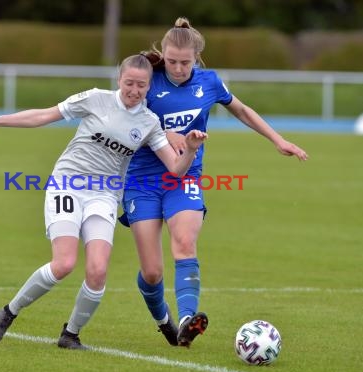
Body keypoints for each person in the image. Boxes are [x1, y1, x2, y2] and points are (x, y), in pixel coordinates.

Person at [0, 54, 207, 349]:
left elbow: (175, 169)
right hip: (67, 184)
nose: (134, 90)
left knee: (97, 270)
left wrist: (190, 149)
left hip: (105, 194)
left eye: (141, 86)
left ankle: (70, 334)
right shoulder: (96, 99)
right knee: (64, 263)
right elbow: (44, 115)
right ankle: (9, 312)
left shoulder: (149, 122)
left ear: (149, 87)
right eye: (129, 83)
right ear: (119, 80)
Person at [119, 17, 309, 348]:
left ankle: (188, 321)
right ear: (163, 53)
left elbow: (243, 111)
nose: (178, 68)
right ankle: (165, 322)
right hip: (143, 181)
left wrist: (278, 140)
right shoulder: (149, 79)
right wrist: (165, 133)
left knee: (184, 244)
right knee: (151, 273)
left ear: (198, 57)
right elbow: (123, 118)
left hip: (185, 176)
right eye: (173, 61)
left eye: (185, 62)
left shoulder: (209, 82)